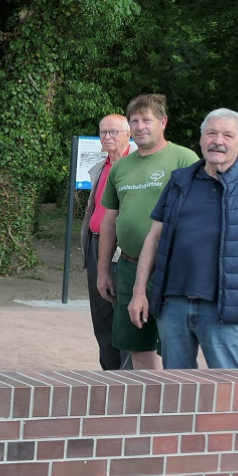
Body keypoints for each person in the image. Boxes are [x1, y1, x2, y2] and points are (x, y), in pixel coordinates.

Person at [128, 109, 238, 369]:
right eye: (211, 133)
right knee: (177, 390)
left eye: (228, 135)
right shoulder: (179, 181)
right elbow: (154, 238)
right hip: (172, 306)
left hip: (224, 310)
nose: (218, 140)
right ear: (201, 139)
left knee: (225, 391)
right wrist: (139, 292)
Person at [97, 93, 199, 369]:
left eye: (147, 120)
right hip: (129, 266)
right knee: (138, 346)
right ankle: (150, 408)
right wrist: (103, 270)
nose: (140, 126)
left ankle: (177, 409)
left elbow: (200, 215)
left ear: (163, 122)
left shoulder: (184, 159)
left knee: (176, 349)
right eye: (135, 120)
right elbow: (109, 220)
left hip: (172, 268)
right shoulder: (121, 167)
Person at [80, 114, 132, 370]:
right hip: (95, 245)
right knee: (101, 317)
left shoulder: (137, 166)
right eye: (103, 133)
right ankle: (109, 376)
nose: (107, 137)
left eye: (113, 132)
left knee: (124, 316)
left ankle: (128, 381)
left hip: (124, 249)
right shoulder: (102, 166)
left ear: (128, 134)